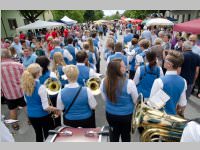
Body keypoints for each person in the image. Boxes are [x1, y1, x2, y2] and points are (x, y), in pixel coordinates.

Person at [100, 59, 138, 142]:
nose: (125, 67)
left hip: (111, 114)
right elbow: (135, 101)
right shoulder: (130, 83)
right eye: (123, 66)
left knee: (114, 136)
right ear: (118, 69)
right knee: (126, 136)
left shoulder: (104, 81)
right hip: (126, 115)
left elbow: (105, 99)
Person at [21, 63, 59, 142]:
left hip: (31, 115)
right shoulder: (41, 87)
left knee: (38, 135)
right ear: (39, 73)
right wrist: (56, 108)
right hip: (43, 116)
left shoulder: (25, 85)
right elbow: (45, 107)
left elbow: (27, 102)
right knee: (48, 136)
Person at [150, 50, 187, 116]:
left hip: (158, 117)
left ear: (169, 65)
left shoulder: (159, 81)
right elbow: (182, 104)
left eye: (165, 60)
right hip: (172, 116)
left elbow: (152, 104)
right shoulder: (183, 81)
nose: (164, 61)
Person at [1, 48, 27, 130]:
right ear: (10, 55)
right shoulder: (19, 65)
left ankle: (15, 125)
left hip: (8, 94)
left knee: (12, 109)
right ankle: (30, 120)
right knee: (25, 106)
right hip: (21, 92)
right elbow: (26, 78)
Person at [35, 56, 61, 128]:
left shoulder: (35, 74)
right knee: (56, 116)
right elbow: (57, 88)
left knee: (48, 116)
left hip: (40, 97)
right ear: (47, 64)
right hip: (52, 97)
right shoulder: (51, 74)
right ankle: (57, 128)